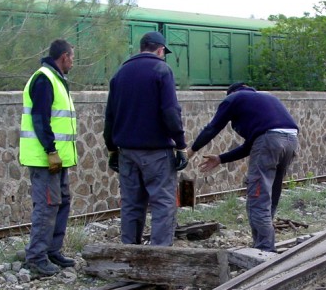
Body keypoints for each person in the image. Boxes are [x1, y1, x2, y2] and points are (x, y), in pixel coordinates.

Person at [188, 83, 298, 252]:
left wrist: (192, 150)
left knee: (257, 198)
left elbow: (212, 128)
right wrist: (220, 158)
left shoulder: (234, 98)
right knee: (270, 196)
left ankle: (264, 250)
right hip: (291, 140)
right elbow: (251, 146)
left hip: (269, 141)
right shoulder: (266, 98)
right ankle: (264, 244)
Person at [104, 31, 188, 246]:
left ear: (142, 47)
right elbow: (170, 111)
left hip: (126, 152)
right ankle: (159, 256)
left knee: (131, 204)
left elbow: (110, 115)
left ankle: (130, 253)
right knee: (162, 204)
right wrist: (180, 145)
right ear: (160, 50)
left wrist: (112, 148)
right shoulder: (161, 69)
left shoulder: (120, 73)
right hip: (156, 152)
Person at [19, 38, 77, 277]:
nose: (73, 62)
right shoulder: (44, 79)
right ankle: (36, 257)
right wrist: (50, 150)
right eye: (72, 57)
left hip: (57, 158)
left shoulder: (55, 79)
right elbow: (40, 118)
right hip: (45, 158)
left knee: (61, 202)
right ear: (63, 56)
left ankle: (52, 251)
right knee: (47, 205)